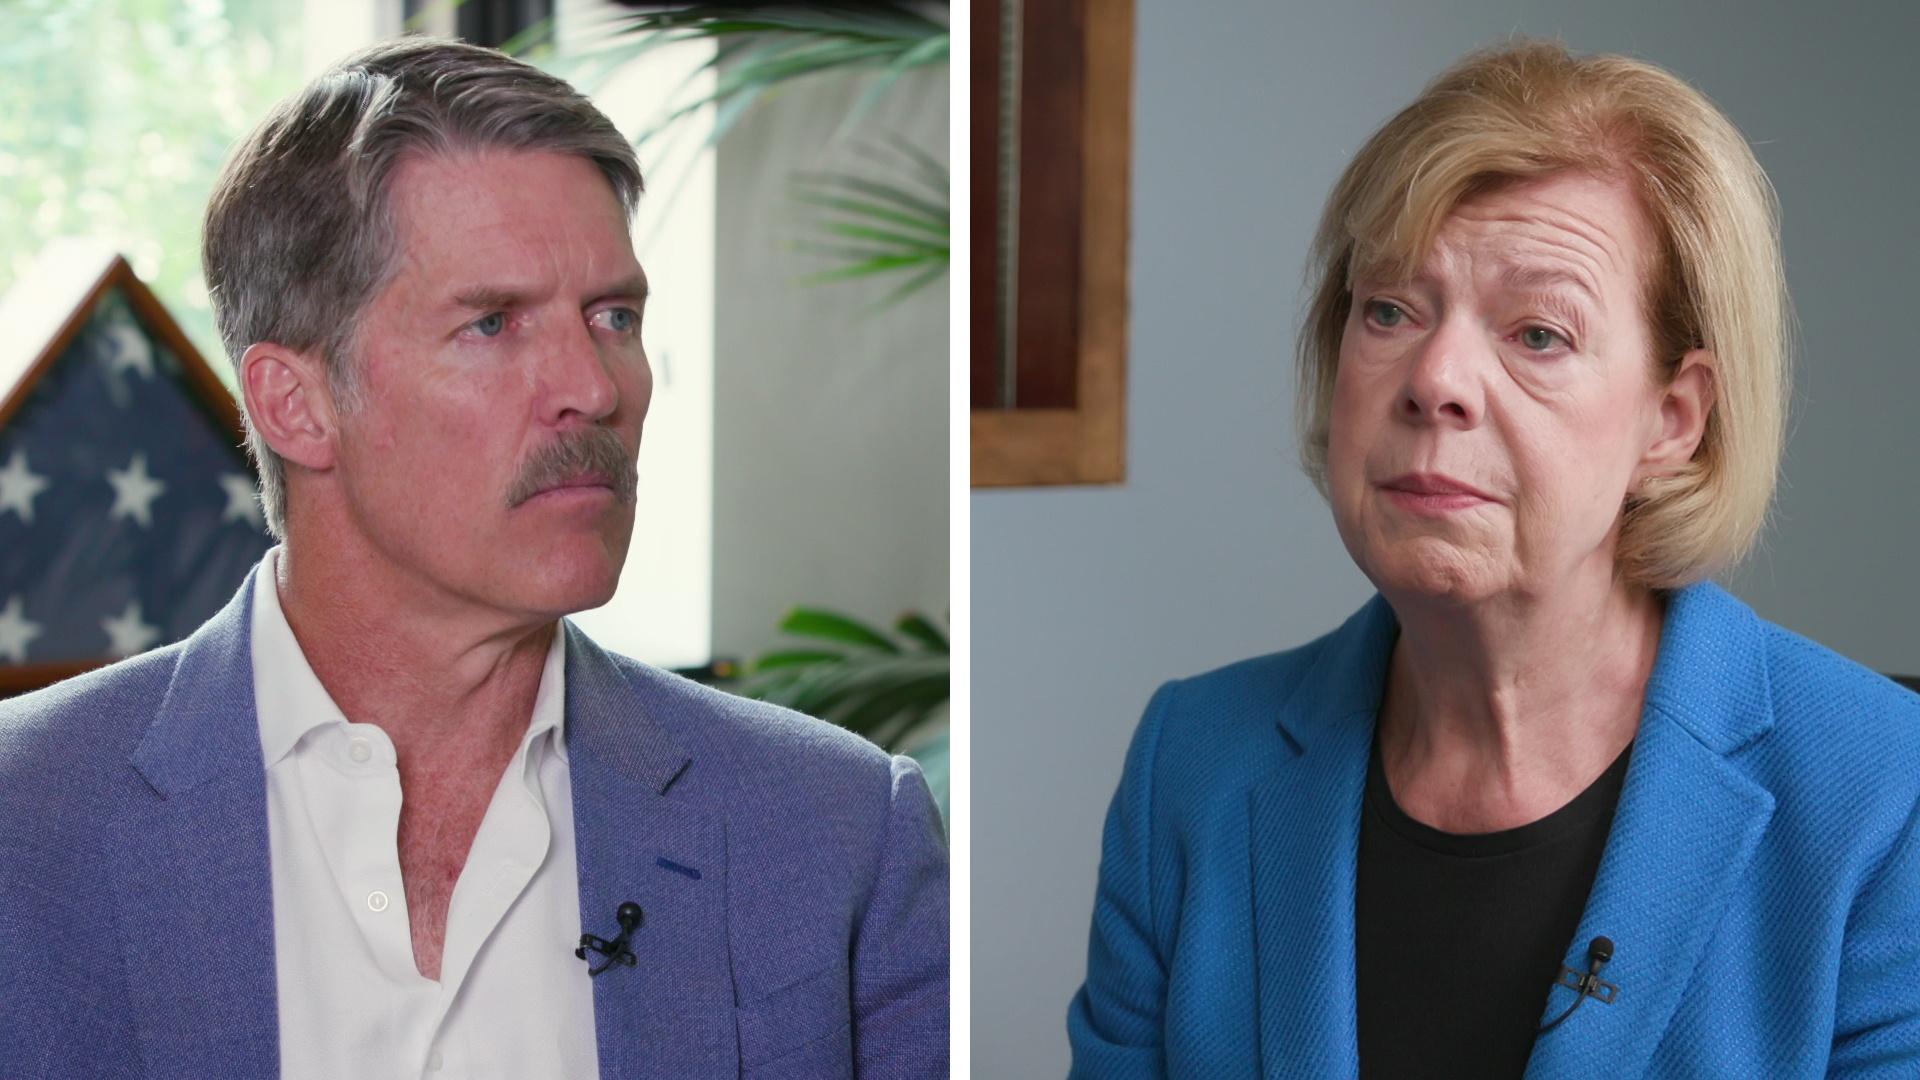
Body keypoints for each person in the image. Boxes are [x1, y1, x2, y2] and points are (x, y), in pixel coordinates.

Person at [0, 36, 947, 1079]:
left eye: (613, 315)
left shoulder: (838, 830)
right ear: (295, 403)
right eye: (493, 323)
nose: (593, 386)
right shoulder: (26, 819)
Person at [1067, 40, 1919, 1078]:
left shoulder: (1883, 791)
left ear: (1672, 420)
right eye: (1389, 310)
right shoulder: (1190, 766)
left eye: (1539, 333)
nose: (1436, 379)